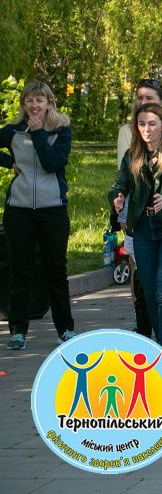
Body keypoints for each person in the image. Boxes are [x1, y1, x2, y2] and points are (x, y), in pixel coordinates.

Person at [113, 79, 162, 356]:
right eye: (142, 124)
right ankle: (160, 344)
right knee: (147, 291)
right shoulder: (132, 155)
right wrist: (117, 196)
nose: (147, 130)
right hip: (142, 227)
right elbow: (119, 183)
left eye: (152, 124)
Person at [2, 82, 76, 350]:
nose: (34, 106)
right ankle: (18, 331)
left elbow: (53, 163)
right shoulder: (13, 131)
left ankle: (65, 329)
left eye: (40, 100)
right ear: (23, 104)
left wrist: (39, 134)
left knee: (55, 270)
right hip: (19, 210)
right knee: (19, 270)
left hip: (52, 210)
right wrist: (9, 163)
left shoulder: (61, 130)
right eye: (29, 100)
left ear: (50, 103)